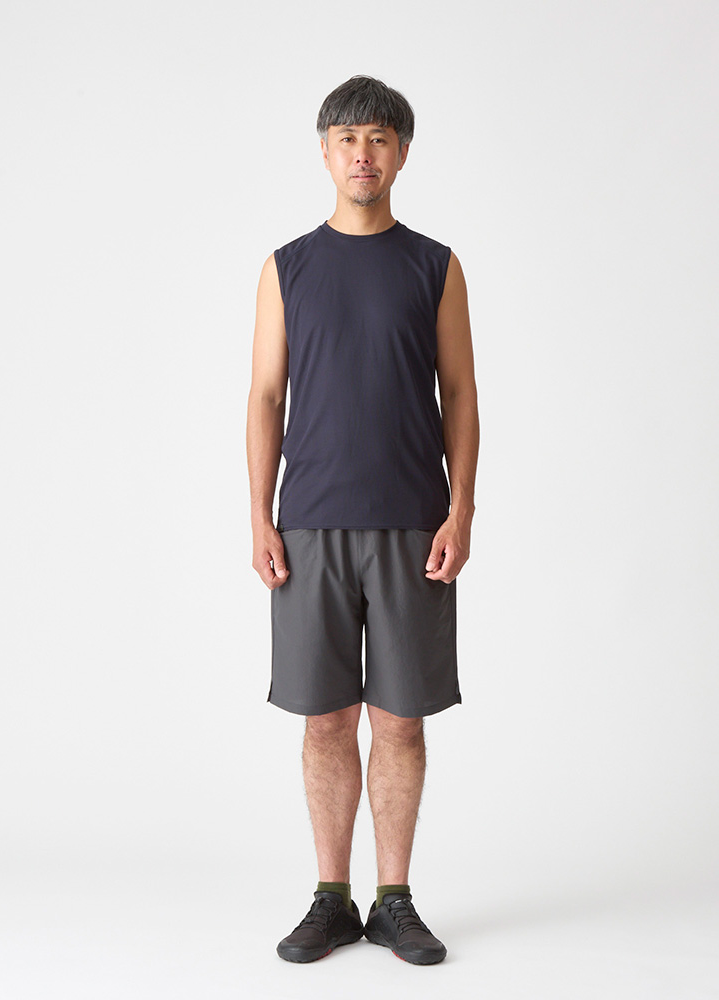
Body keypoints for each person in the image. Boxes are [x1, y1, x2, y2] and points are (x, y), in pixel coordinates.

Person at [246, 74, 479, 966]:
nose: (363, 154)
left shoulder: (436, 266)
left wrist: (461, 508)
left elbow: (460, 393)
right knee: (324, 721)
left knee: (402, 721)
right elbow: (265, 397)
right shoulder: (287, 267)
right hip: (309, 523)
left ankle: (395, 899)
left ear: (402, 154)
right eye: (347, 139)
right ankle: (330, 897)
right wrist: (259, 515)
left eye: (379, 138)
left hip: (414, 524)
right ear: (324, 152)